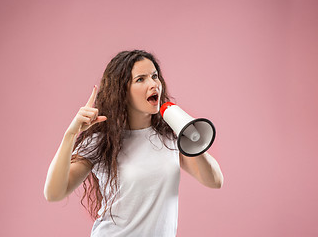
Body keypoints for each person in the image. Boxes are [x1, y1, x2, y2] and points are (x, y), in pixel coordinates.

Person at [44, 50, 224, 236]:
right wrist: (70, 135)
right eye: (141, 79)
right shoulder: (101, 141)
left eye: (155, 76)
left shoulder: (171, 137)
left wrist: (186, 132)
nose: (154, 84)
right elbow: (54, 193)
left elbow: (214, 181)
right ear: (122, 91)